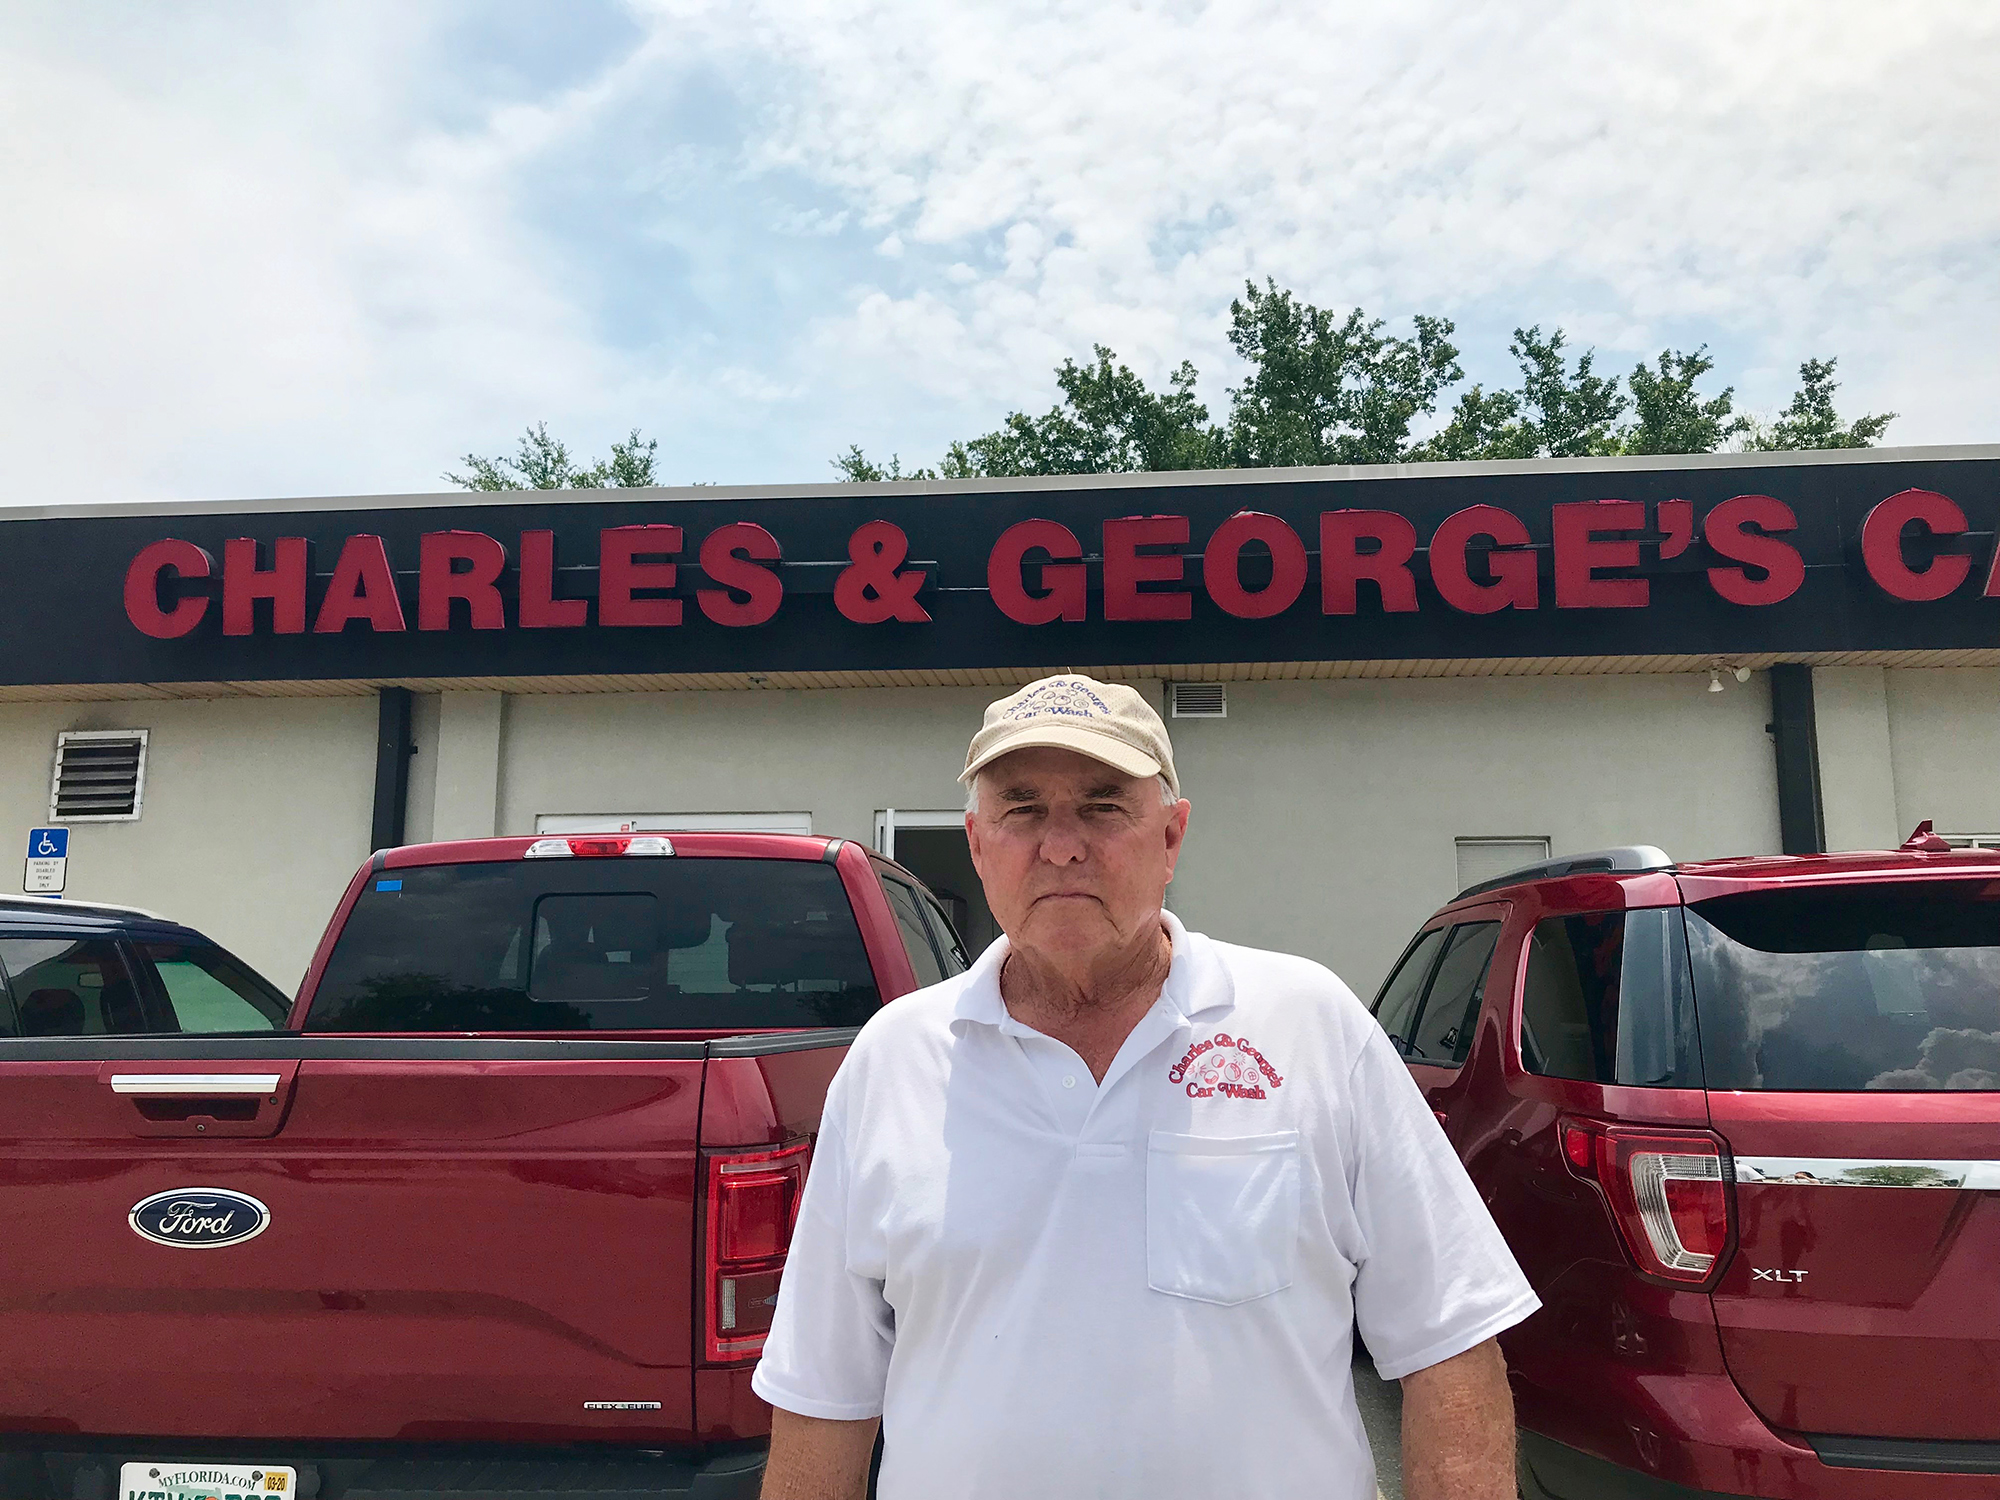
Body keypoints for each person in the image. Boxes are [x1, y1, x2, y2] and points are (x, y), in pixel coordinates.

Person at [754, 674, 1539, 1500]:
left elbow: (1448, 1342)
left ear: (1172, 836)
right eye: (1022, 809)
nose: (1061, 845)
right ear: (978, 844)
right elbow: (822, 1397)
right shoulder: (893, 1061)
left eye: (1102, 805)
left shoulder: (1309, 1025)